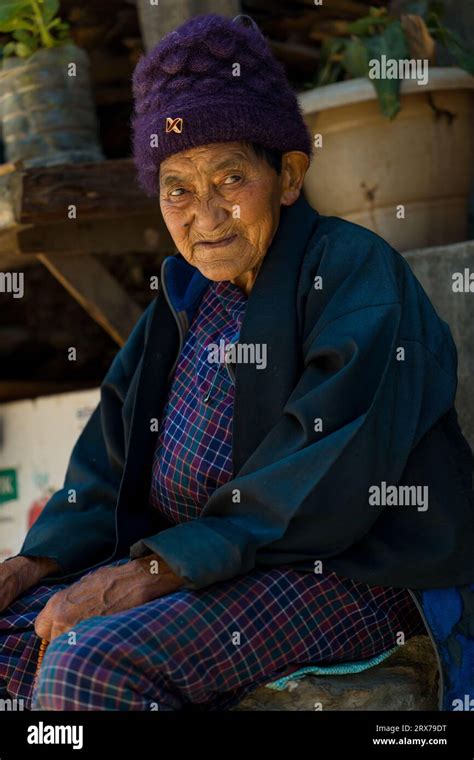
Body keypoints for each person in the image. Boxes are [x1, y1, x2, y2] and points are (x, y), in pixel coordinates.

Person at [0, 13, 473, 712]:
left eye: (230, 177)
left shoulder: (351, 275)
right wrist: (33, 561)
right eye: (178, 188)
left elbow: (324, 480)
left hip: (349, 572)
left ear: (287, 176)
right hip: (216, 565)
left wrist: (158, 570)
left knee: (88, 664)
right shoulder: (184, 299)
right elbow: (108, 459)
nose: (207, 214)